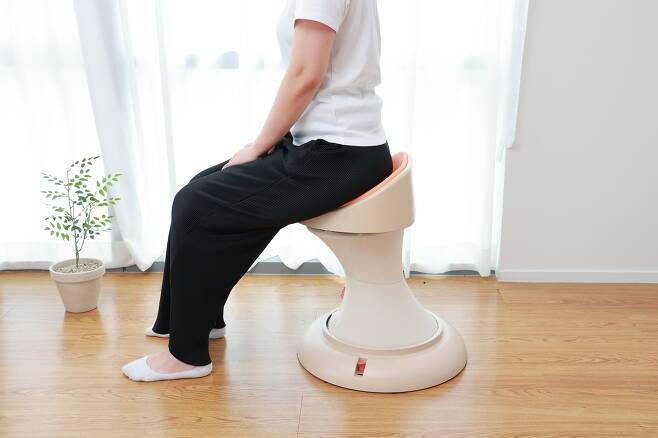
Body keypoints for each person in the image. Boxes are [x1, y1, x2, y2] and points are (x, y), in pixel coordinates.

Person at [122, 0, 392, 382]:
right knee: (199, 188)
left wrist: (258, 145)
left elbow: (306, 75)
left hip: (339, 152)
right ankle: (196, 322)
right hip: (329, 144)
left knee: (196, 205)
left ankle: (186, 356)